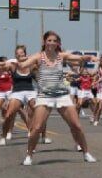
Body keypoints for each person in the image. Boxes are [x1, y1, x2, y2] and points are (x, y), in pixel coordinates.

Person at [14, 31, 97, 166]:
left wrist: (88, 57)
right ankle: (29, 155)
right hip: (44, 96)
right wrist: (17, 60)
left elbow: (76, 58)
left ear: (58, 43)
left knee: (77, 126)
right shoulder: (38, 57)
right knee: (36, 128)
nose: (52, 43)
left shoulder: (61, 56)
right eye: (49, 40)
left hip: (62, 95)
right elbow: (23, 65)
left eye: (54, 41)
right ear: (44, 42)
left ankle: (86, 153)